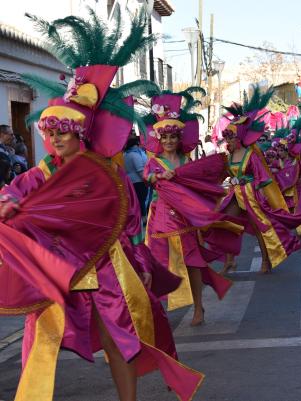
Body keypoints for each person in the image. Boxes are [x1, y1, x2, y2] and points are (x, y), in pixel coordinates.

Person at [0, 8, 205, 401]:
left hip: (107, 269)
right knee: (41, 345)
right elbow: (14, 191)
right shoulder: (41, 173)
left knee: (119, 339)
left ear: (81, 135)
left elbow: (128, 224)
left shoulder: (107, 176)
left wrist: (140, 266)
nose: (56, 140)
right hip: (57, 271)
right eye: (51, 133)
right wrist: (8, 202)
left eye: (65, 133)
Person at [143, 88, 244, 326]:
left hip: (186, 218)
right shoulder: (153, 162)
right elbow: (148, 177)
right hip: (160, 220)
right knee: (157, 266)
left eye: (173, 137)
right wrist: (159, 177)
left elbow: (199, 183)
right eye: (164, 137)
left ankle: (199, 308)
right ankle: (156, 310)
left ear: (179, 139)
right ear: (159, 139)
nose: (168, 141)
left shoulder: (188, 162)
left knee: (193, 263)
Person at [220, 84, 301, 274]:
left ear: (239, 137)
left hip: (250, 194)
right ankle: (230, 261)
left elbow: (263, 177)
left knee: (260, 228)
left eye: (231, 138)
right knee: (226, 224)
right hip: (234, 194)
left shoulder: (251, 154)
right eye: (228, 138)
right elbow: (226, 172)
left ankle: (267, 260)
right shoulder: (230, 155)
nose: (228, 141)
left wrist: (261, 194)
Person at [124, 134, 149, 218]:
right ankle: (143, 218)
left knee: (136, 201)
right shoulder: (135, 154)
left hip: (131, 181)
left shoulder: (127, 154)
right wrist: (147, 180)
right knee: (141, 200)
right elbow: (140, 170)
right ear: (137, 143)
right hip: (139, 181)